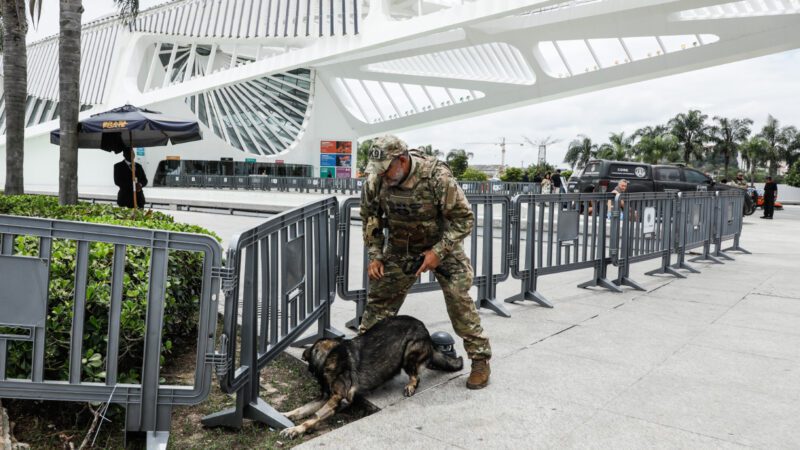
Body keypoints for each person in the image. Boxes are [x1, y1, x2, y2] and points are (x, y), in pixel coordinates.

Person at [360, 135, 492, 390]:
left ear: (401, 160)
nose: (382, 176)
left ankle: (480, 359)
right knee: (379, 303)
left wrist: (438, 252)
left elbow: (464, 219)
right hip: (401, 248)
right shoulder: (376, 179)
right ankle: (363, 360)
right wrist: (375, 255)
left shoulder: (436, 177)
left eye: (386, 170)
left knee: (458, 298)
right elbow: (370, 220)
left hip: (444, 247)